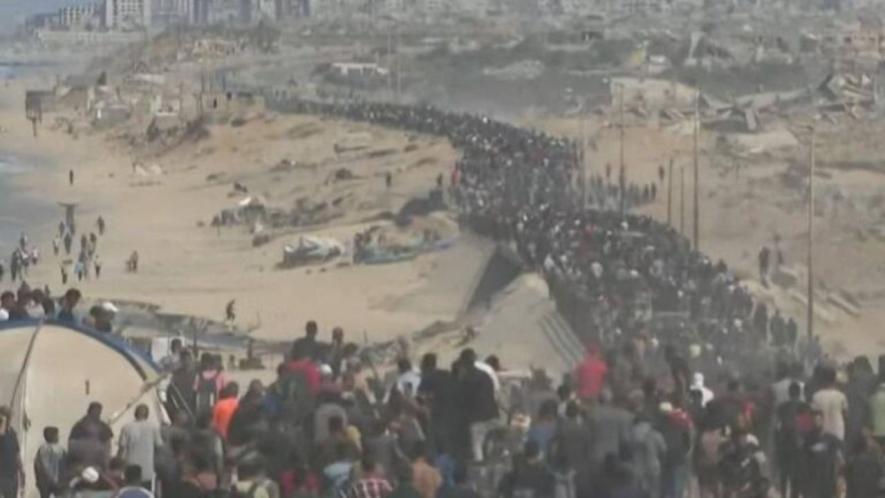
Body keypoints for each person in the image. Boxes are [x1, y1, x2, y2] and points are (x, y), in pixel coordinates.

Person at [800, 409, 843, 498]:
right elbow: (803, 459)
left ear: (823, 421)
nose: (817, 422)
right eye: (815, 420)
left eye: (819, 420)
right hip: (813, 480)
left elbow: (840, 453)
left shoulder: (830, 438)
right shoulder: (807, 439)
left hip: (828, 478)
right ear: (811, 421)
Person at [118, 404, 162, 491]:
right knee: (146, 491)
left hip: (131, 465)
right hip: (148, 466)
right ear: (147, 414)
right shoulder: (153, 427)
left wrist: (118, 464)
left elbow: (122, 448)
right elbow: (158, 446)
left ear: (135, 413)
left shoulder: (126, 427)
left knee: (130, 490)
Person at [69, 402, 114, 469]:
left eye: (98, 412)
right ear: (89, 411)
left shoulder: (103, 426)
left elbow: (108, 446)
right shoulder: (79, 425)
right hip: (82, 463)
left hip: (97, 463)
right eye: (95, 411)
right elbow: (72, 444)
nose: (96, 414)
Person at [811, 367, 848, 441]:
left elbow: (816, 417)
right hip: (838, 431)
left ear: (822, 379)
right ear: (835, 380)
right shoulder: (841, 396)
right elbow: (845, 415)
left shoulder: (816, 396)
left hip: (823, 432)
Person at [35, 426, 66, 498]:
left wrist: (38, 479)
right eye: (57, 435)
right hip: (55, 480)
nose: (58, 437)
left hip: (44, 481)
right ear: (53, 436)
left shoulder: (41, 449)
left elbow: (37, 465)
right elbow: (64, 464)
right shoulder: (60, 449)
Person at [0, 407, 23, 498]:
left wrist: (21, 470)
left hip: (12, 475)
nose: (10, 419)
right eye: (8, 417)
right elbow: (1, 436)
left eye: (10, 417)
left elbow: (17, 453)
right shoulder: (1, 432)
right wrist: (3, 422)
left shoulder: (12, 432)